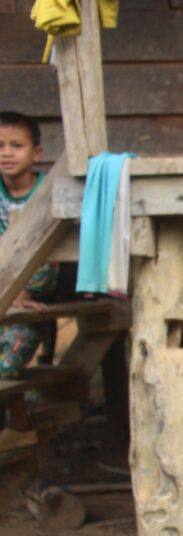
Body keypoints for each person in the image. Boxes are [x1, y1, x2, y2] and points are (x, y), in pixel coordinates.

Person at [0, 111, 57, 453]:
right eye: (0, 146)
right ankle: (19, 425)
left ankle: (20, 424)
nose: (6, 153)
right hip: (3, 292)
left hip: (35, 294)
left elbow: (51, 261)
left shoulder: (49, 191)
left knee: (8, 363)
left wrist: (20, 292)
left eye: (16, 145)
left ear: (36, 152)